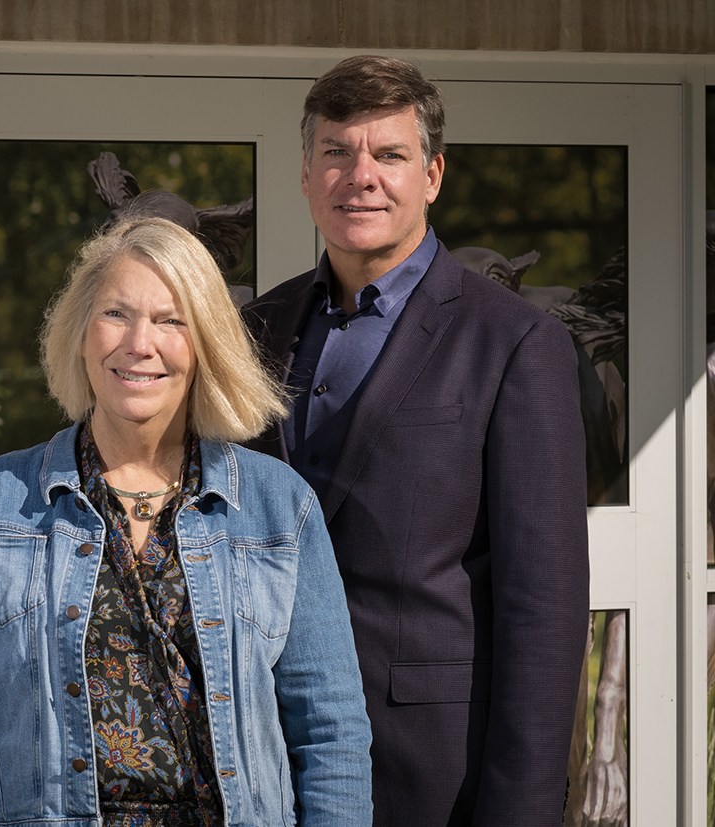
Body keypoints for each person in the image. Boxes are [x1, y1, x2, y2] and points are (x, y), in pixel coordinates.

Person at [0, 216, 373, 826]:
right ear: (80, 334)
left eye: (171, 320)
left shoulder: (280, 507)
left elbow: (331, 734)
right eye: (116, 314)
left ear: (204, 345)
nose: (138, 343)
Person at [241, 55, 590, 827]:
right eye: (337, 151)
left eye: (388, 155)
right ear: (305, 175)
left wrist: (522, 809)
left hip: (435, 776)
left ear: (432, 175)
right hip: (261, 765)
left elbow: (545, 607)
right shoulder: (252, 332)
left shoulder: (516, 343)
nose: (359, 175)